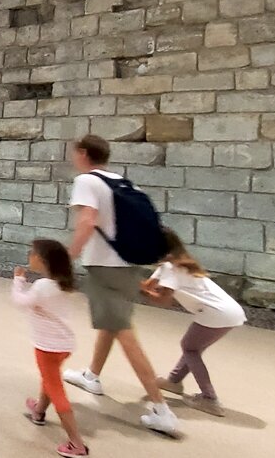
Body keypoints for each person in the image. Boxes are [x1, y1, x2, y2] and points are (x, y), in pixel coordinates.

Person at [60, 135, 178, 435]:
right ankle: (92, 375)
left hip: (105, 267)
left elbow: (87, 221)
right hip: (128, 265)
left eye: (74, 153)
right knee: (112, 323)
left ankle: (161, 409)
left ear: (83, 153)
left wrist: (68, 257)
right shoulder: (123, 182)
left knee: (124, 332)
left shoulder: (87, 181)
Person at [143, 228, 245, 417]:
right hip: (228, 311)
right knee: (193, 347)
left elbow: (164, 301)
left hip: (217, 313)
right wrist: (144, 288)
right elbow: (150, 284)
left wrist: (141, 291)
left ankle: (210, 399)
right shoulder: (174, 263)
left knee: (189, 348)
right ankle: (174, 381)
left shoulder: (171, 268)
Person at [14, 239, 87, 457]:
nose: (29, 255)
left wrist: (18, 281)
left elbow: (20, 302)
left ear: (42, 260)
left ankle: (76, 444)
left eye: (32, 252)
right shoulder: (62, 284)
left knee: (56, 390)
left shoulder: (42, 286)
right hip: (64, 345)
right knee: (50, 378)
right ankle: (38, 411)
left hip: (47, 348)